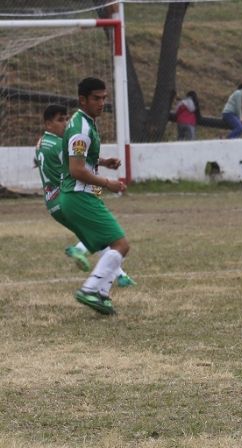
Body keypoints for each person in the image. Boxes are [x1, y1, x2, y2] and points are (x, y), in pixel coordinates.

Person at [35, 104, 135, 288]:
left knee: (98, 235)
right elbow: (77, 160)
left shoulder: (42, 143)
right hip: (68, 197)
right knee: (104, 234)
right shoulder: (59, 145)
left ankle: (120, 275)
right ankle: (81, 252)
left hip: (52, 203)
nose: (65, 124)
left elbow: (44, 160)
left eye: (66, 119)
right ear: (48, 124)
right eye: (60, 120)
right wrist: (104, 166)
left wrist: (103, 162)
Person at [60, 77, 131, 315]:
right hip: (79, 196)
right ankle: (90, 289)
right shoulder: (81, 128)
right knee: (121, 244)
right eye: (96, 98)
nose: (102, 103)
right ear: (83, 99)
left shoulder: (85, 122)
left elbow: (80, 158)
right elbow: (76, 169)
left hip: (79, 196)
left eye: (104, 98)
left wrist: (102, 162)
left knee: (110, 244)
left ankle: (101, 295)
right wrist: (108, 182)